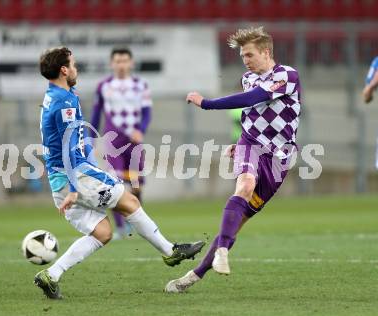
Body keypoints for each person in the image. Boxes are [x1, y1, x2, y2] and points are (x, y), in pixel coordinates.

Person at [34, 47, 204, 299]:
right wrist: (73, 188)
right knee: (130, 201)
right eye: (74, 64)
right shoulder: (64, 101)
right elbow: (70, 147)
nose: (76, 68)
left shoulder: (56, 94)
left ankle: (52, 274)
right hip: (76, 176)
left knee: (102, 233)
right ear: (64, 70)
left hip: (61, 178)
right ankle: (170, 251)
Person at [165, 26, 301, 293]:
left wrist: (207, 103)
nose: (245, 60)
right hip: (251, 146)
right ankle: (223, 251)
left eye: (249, 55)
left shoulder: (287, 75)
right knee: (245, 185)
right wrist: (238, 144)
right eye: (242, 56)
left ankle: (194, 276)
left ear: (266, 52)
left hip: (279, 158)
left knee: (238, 223)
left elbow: (256, 98)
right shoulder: (248, 77)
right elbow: (250, 115)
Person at [91, 47, 151, 239]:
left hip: (133, 141)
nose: (121, 65)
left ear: (131, 63)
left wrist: (140, 131)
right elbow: (95, 114)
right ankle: (121, 228)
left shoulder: (141, 85)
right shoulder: (103, 86)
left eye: (125, 61)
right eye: (118, 61)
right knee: (115, 184)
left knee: (136, 185)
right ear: (111, 64)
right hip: (113, 141)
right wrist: (89, 139)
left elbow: (147, 113)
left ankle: (136, 223)